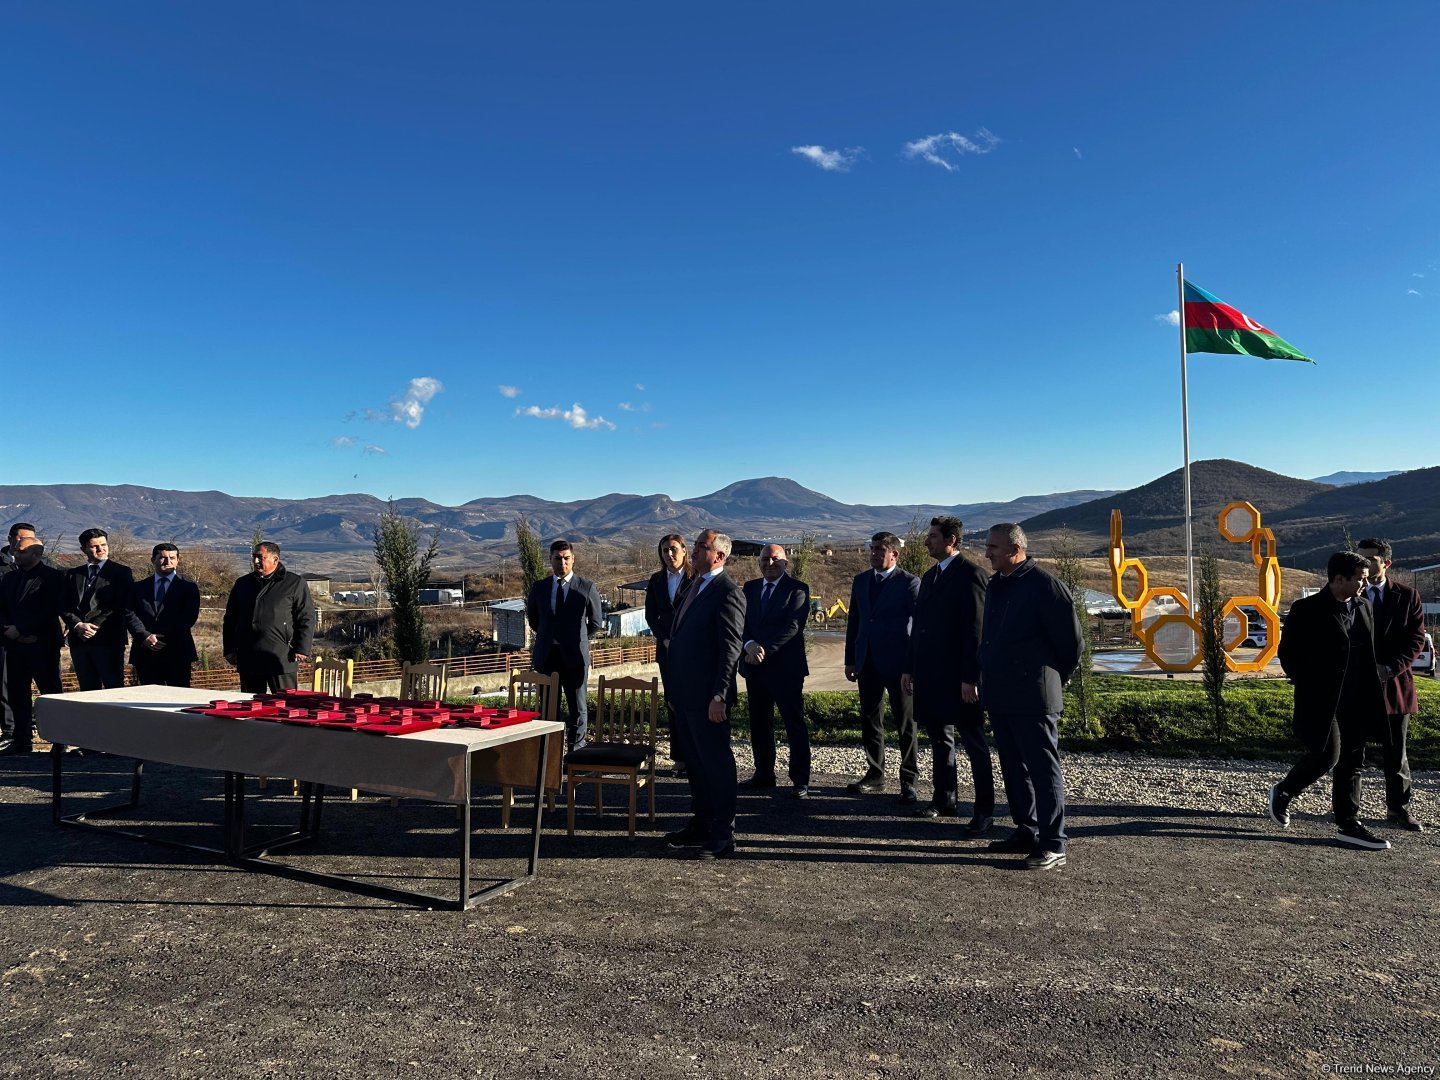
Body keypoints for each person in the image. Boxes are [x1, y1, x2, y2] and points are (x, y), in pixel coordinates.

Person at [978, 523, 1083, 871]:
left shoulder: (1046, 587)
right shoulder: (997, 585)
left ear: (1014, 548)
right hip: (1002, 693)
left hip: (1034, 695)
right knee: (1013, 767)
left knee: (1042, 769)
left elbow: (1071, 645)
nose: (987, 552)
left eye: (993, 547)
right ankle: (1027, 830)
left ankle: (1054, 843)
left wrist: (1053, 679)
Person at [1270, 551, 1390, 850]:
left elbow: (1367, 649)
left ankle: (1348, 823)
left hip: (1358, 697)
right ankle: (1284, 791)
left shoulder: (1363, 606)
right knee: (1327, 755)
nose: (1365, 584)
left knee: (1353, 760)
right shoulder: (1306, 609)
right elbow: (1289, 656)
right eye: (1360, 579)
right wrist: (1311, 684)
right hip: (1321, 699)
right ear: (1339, 579)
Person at [901, 516, 993, 833]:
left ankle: (984, 810)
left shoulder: (972, 576)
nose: (927, 542)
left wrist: (971, 678)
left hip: (960, 679)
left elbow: (976, 633)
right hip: (930, 676)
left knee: (974, 743)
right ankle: (944, 799)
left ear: (951, 540)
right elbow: (919, 629)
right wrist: (910, 668)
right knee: (940, 740)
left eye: (933, 537)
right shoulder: (929, 578)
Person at [663, 529, 745, 859]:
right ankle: (701, 823)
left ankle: (723, 833)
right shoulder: (694, 586)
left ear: (719, 556)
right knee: (695, 765)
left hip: (709, 699)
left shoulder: (728, 592)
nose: (694, 551)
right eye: (696, 545)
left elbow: (730, 649)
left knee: (715, 765)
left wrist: (720, 695)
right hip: (685, 696)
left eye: (701, 546)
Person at [845, 531, 922, 804]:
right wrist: (850, 659)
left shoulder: (910, 583)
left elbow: (918, 630)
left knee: (906, 724)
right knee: (870, 720)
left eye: (880, 549)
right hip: (867, 663)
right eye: (872, 548)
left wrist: (912, 666)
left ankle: (909, 781)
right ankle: (875, 774)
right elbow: (855, 622)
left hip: (899, 665)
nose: (874, 553)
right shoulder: (861, 581)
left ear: (894, 554)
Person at [1355, 538, 1425, 832]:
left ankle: (1398, 809)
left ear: (1386, 563)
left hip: (1395, 686)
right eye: (1360, 558)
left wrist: (1391, 668)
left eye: (1370, 559)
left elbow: (1416, 639)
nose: (1365, 564)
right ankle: (1348, 811)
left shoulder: (1408, 597)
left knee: (1397, 753)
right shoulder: (1350, 595)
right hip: (1356, 688)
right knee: (1352, 753)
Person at [739, 544, 812, 796]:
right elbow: (741, 622)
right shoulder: (749, 588)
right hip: (754, 668)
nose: (769, 563)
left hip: (785, 669)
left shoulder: (798, 589)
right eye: (764, 559)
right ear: (758, 563)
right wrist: (748, 645)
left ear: (785, 562)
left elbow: (793, 626)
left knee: (794, 724)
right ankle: (763, 774)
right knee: (759, 724)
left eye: (775, 559)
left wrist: (764, 650)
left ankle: (800, 779)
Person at [526, 539, 604, 752]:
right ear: (550, 560)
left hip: (575, 657)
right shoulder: (540, 588)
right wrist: (550, 637)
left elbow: (596, 622)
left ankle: (576, 752)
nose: (562, 563)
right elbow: (534, 620)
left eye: (566, 558)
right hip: (547, 655)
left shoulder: (586, 587)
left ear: (573, 559)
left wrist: (575, 639)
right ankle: (549, 754)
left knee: (577, 707)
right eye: (558, 559)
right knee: (549, 707)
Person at [0, 535, 65, 754]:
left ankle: (59, 740)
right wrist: (12, 632)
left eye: (22, 551)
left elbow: (50, 610)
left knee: (50, 694)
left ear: (37, 554)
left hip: (42, 644)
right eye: (15, 551)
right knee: (18, 693)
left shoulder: (53, 578)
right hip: (15, 645)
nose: (16, 554)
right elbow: (2, 608)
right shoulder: (9, 579)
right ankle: (22, 740)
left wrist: (24, 630)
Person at [222, 542, 315, 694]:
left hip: (282, 655)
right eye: (254, 557)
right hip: (249, 655)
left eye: (261, 557)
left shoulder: (294, 583)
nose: (256, 561)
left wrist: (301, 647)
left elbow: (306, 617)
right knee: (250, 705)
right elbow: (230, 619)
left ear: (275, 559)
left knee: (286, 705)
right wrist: (230, 649)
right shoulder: (243, 584)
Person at [61, 528, 135, 691]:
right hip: (79, 641)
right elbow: (63, 605)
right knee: (87, 690)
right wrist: (77, 625)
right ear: (84, 549)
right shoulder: (72, 574)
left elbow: (120, 604)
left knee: (114, 688)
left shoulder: (120, 572)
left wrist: (95, 625)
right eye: (95, 546)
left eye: (103, 545)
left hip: (108, 639)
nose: (101, 549)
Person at [645, 533, 693, 775]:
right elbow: (650, 615)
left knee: (694, 702)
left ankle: (698, 755)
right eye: (665, 550)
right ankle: (680, 757)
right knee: (673, 702)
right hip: (667, 651)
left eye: (674, 549)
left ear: (684, 550)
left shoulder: (697, 578)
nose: (669, 554)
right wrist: (664, 639)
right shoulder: (655, 580)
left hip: (694, 652)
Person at [126, 543, 202, 687]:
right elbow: (129, 613)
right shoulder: (138, 588)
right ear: (153, 560)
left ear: (178, 560)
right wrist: (145, 636)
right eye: (162, 558)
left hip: (177, 650)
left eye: (172, 558)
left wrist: (161, 637)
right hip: (145, 651)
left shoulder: (188, 587)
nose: (168, 562)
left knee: (179, 698)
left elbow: (189, 617)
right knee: (148, 699)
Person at [0, 522, 38, 745]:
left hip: (37, 638)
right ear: (11, 539)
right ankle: (11, 730)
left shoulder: (45, 568)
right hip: (6, 636)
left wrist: (25, 630)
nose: (26, 544)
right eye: (22, 539)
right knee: (7, 685)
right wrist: (10, 629)